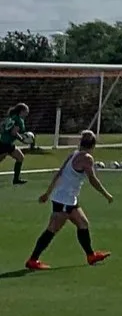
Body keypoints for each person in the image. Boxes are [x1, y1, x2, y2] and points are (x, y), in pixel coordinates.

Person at [25, 130, 112, 271]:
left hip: (68, 198)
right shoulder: (87, 158)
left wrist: (48, 193)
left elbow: (59, 173)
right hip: (64, 200)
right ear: (93, 145)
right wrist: (106, 194)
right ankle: (32, 260)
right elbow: (92, 180)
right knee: (52, 229)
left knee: (83, 223)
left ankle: (91, 255)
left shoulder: (74, 154)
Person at [2, 102, 30, 186]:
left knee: (20, 157)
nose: (27, 113)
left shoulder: (12, 117)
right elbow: (14, 132)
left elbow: (3, 128)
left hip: (6, 143)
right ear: (22, 111)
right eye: (26, 111)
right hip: (5, 144)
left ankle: (16, 179)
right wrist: (22, 139)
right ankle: (16, 179)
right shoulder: (18, 120)